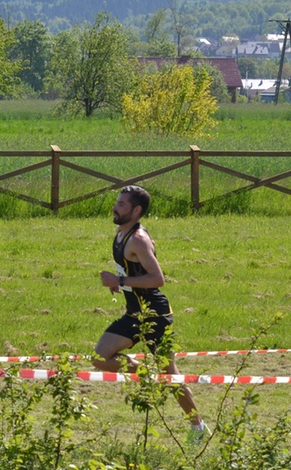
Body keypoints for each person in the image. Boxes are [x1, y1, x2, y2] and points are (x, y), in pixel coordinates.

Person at [93, 185, 207, 442]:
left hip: (155, 315)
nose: (114, 208)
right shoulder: (121, 233)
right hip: (134, 313)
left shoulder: (138, 239)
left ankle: (198, 428)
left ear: (136, 211)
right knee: (100, 358)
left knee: (171, 375)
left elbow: (157, 278)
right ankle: (147, 374)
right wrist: (120, 282)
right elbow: (133, 271)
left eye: (121, 205)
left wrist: (120, 281)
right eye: (116, 202)